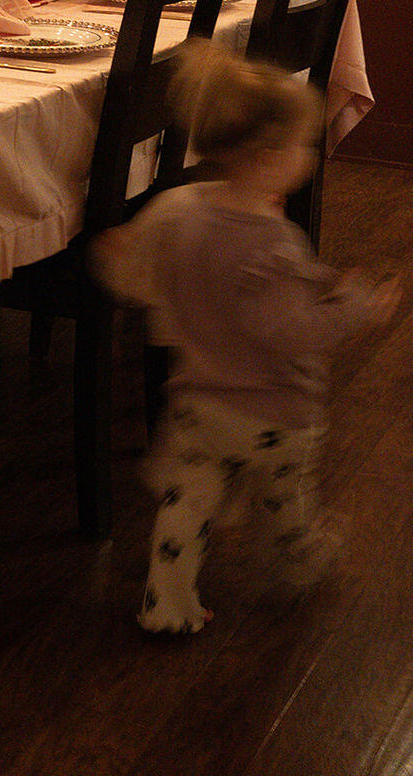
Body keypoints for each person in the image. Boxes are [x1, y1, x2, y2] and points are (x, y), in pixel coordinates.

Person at [91, 41, 400, 635]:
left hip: (197, 404)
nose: (310, 156)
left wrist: (114, 255)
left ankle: (167, 605)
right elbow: (296, 332)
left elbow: (131, 274)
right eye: (304, 145)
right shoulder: (272, 243)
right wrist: (359, 306)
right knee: (287, 500)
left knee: (187, 506)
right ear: (267, 159)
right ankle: (302, 555)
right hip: (275, 413)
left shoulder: (180, 209)